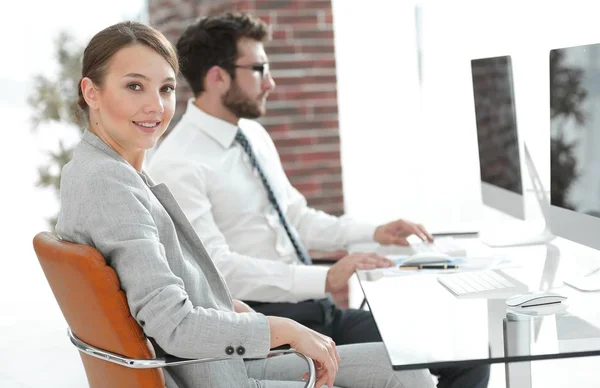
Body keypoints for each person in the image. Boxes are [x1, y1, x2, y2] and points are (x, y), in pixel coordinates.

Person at [54, 21, 435, 388]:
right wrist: (280, 328)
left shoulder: (111, 170)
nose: (156, 106)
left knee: (410, 366)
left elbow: (167, 286)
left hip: (222, 357)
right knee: (409, 369)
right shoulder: (110, 182)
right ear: (92, 92)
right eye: (135, 86)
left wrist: (231, 308)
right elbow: (173, 323)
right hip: (218, 375)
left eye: (166, 89)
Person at [147, 13, 489, 388]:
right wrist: (326, 276)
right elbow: (218, 272)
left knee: (466, 349)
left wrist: (373, 231)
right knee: (414, 373)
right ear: (218, 77)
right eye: (259, 69)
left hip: (316, 312)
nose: (271, 83)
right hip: (264, 326)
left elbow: (298, 218)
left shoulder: (253, 136)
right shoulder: (178, 163)